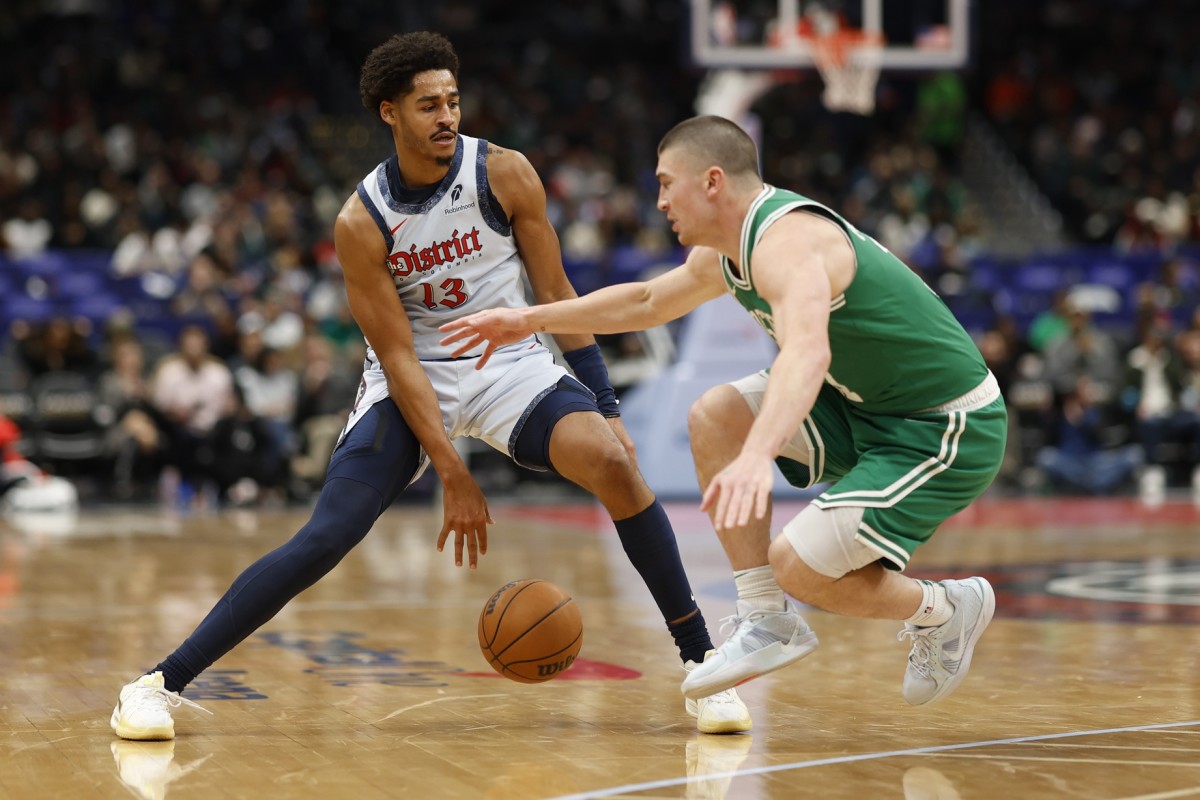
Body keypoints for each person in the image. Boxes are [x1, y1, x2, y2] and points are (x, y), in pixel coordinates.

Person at [109, 33, 747, 741]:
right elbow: (398, 354)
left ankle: (704, 663)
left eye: (452, 101)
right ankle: (156, 683)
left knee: (615, 465)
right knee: (327, 536)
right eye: (427, 105)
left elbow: (557, 292)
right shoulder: (362, 221)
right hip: (414, 377)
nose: (446, 116)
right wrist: (450, 467)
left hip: (510, 365)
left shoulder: (505, 174)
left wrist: (605, 407)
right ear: (389, 113)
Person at [441, 115, 1008, 708]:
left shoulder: (785, 245)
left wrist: (758, 453)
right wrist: (527, 321)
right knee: (712, 414)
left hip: (942, 425)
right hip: (862, 402)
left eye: (666, 183)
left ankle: (945, 609)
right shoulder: (729, 250)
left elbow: (808, 353)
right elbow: (648, 299)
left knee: (800, 567)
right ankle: (767, 616)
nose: (658, 201)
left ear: (712, 181)